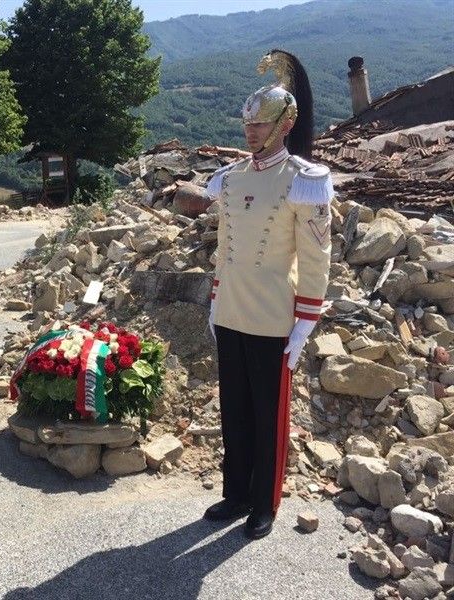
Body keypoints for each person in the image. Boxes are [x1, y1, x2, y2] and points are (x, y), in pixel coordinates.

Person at [203, 50, 333, 539]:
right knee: (233, 408)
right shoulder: (233, 178)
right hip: (233, 308)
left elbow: (316, 257)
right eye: (248, 124)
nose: (251, 132)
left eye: (260, 124)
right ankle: (235, 493)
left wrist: (306, 320)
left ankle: (264, 503)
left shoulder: (305, 180)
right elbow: (225, 247)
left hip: (275, 314)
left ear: (285, 123)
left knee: (267, 415)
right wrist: (216, 298)